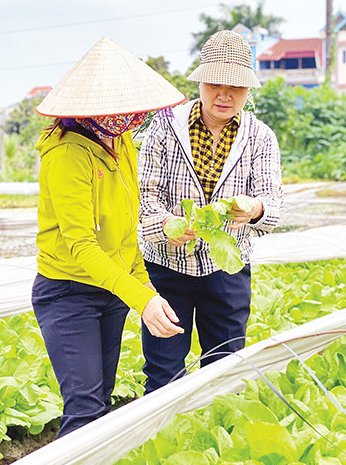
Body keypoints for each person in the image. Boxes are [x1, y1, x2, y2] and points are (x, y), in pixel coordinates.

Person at [31, 37, 185, 437]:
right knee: (84, 408)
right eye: (124, 110)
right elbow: (82, 245)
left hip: (110, 290)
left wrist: (146, 290)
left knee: (102, 399)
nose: (133, 118)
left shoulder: (121, 142)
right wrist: (142, 300)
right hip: (68, 292)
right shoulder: (67, 154)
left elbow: (126, 235)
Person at [138, 30, 283, 394]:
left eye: (236, 87)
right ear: (201, 80)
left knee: (227, 367)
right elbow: (143, 198)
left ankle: (219, 443)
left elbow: (274, 203)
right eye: (216, 83)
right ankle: (162, 441)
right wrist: (168, 224)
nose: (225, 95)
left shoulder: (260, 136)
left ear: (248, 91)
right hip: (167, 267)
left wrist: (254, 208)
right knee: (163, 370)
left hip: (227, 268)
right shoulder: (164, 127)